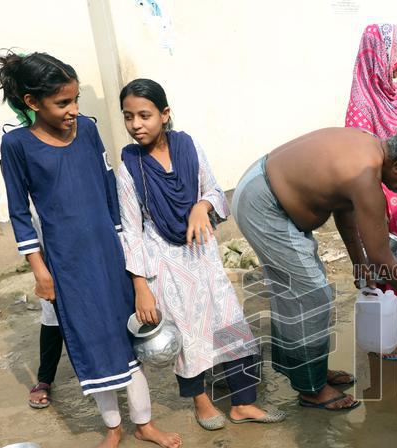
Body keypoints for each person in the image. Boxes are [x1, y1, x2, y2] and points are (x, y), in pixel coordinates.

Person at [0, 51, 180, 448]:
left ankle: (144, 424)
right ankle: (112, 429)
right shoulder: (16, 145)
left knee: (128, 335)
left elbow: (111, 193)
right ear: (32, 103)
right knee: (92, 343)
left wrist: (129, 256)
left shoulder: (89, 131)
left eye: (75, 100)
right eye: (63, 103)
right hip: (67, 263)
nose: (74, 110)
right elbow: (19, 212)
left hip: (109, 253)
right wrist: (39, 269)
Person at [231, 126, 397, 411]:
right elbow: (383, 260)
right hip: (264, 203)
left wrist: (358, 262)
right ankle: (310, 388)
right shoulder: (364, 173)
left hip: (265, 190)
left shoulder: (370, 152)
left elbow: (345, 209)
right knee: (311, 295)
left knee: (301, 291)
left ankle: (309, 371)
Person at [117, 79, 284, 429]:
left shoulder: (188, 146)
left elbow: (212, 188)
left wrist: (201, 205)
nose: (136, 124)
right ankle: (201, 401)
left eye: (144, 115)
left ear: (165, 114)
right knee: (186, 332)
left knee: (230, 323)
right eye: (128, 116)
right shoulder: (129, 166)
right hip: (163, 260)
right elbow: (131, 231)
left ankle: (243, 403)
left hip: (201, 253)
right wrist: (140, 286)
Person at [345, 23, 397, 358]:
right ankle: (382, 330)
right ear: (379, 56)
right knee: (381, 260)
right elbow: (359, 165)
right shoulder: (362, 103)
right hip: (378, 201)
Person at [0, 106, 63, 410]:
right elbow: (17, 197)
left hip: (73, 226)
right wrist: (35, 261)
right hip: (41, 229)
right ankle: (45, 377)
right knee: (51, 310)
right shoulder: (10, 134)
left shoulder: (72, 123)